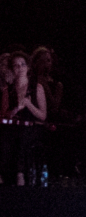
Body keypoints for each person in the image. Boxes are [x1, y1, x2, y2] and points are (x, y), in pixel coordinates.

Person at [2, 48, 50, 185]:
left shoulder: (37, 88)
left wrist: (28, 104)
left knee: (24, 136)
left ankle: (20, 175)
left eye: (23, 64)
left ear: (28, 67)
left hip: (33, 127)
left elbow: (43, 115)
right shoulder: (8, 90)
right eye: (16, 65)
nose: (20, 68)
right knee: (7, 138)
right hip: (13, 127)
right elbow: (4, 114)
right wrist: (17, 108)